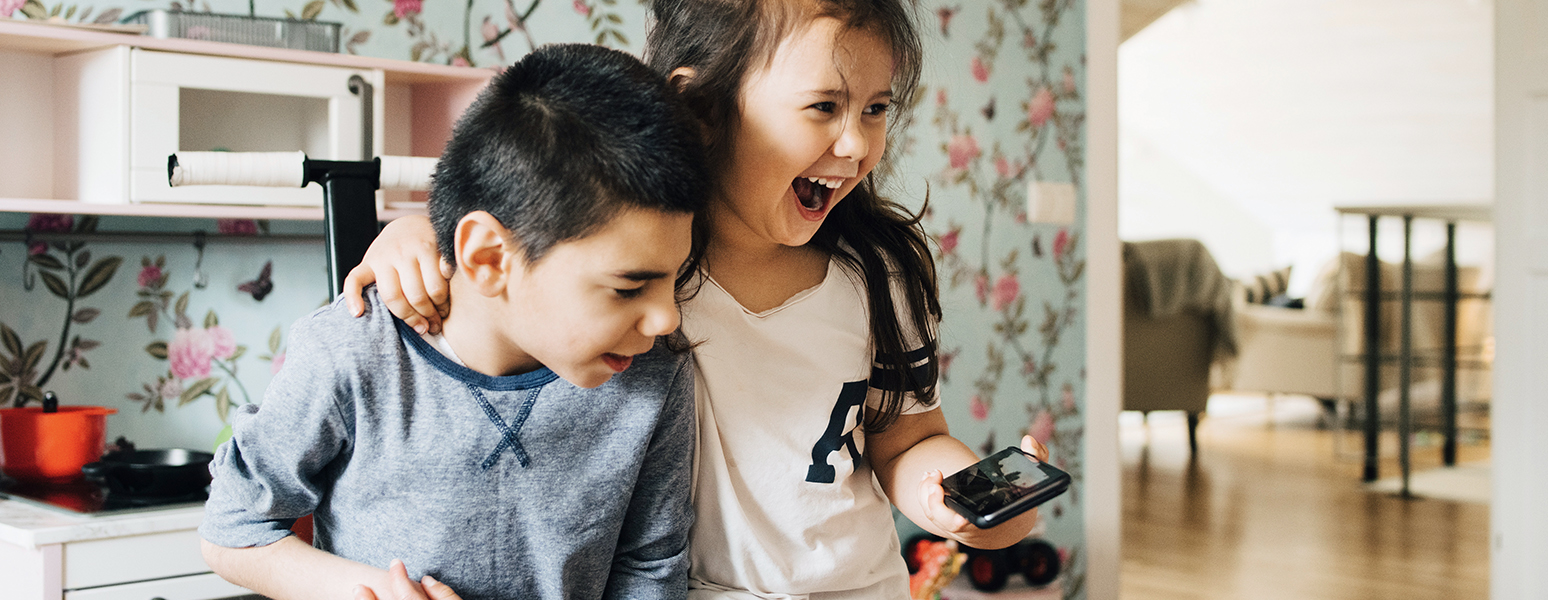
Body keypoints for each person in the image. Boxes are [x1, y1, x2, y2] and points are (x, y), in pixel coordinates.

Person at [346, 1, 1052, 598]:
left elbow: (908, 437)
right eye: (824, 107)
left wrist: (951, 497)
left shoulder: (878, 272)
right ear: (703, 108)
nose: (857, 142)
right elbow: (509, 267)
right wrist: (408, 238)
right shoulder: (638, 274)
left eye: (875, 108)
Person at [199, 43, 709, 600]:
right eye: (629, 287)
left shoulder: (655, 374)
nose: (666, 317)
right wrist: (368, 591)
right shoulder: (352, 351)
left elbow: (649, 567)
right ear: (489, 258)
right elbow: (233, 529)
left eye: (674, 278)